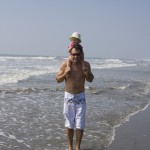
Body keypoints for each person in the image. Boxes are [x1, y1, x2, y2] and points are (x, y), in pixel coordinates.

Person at [56, 44, 94, 150]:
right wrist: (65, 73)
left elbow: (91, 79)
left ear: (81, 54)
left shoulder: (85, 65)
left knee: (80, 124)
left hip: (81, 97)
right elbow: (57, 79)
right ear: (70, 54)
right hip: (69, 97)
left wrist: (87, 73)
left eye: (78, 54)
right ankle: (70, 147)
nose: (76, 57)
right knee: (69, 124)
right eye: (73, 54)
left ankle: (78, 147)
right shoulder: (65, 65)